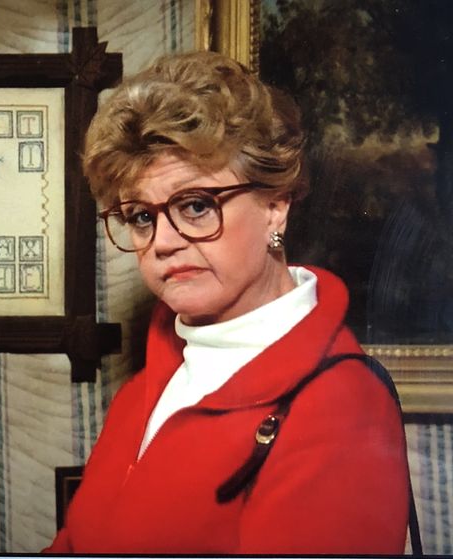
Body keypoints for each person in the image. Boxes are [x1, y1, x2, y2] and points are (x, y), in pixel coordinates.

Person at [45, 51, 411, 554]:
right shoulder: (149, 385)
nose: (164, 241)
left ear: (275, 207)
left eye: (195, 206)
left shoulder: (341, 407)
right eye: (141, 217)